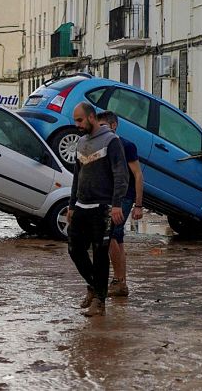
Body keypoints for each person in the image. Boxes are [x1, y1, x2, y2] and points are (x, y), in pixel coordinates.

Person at [67, 102, 129, 317]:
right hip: (81, 206)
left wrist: (116, 204)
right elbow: (77, 176)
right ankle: (94, 286)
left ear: (91, 118)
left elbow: (121, 175)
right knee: (74, 249)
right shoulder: (81, 142)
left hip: (103, 207)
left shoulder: (111, 141)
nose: (77, 125)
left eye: (80, 120)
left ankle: (99, 302)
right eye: (75, 120)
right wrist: (71, 205)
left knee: (100, 253)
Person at [97, 111, 144, 298]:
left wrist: (138, 205)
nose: (100, 130)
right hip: (108, 197)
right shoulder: (101, 145)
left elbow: (138, 175)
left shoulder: (126, 146)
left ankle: (118, 281)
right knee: (117, 238)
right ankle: (121, 283)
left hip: (124, 197)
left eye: (103, 126)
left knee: (110, 237)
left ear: (113, 125)